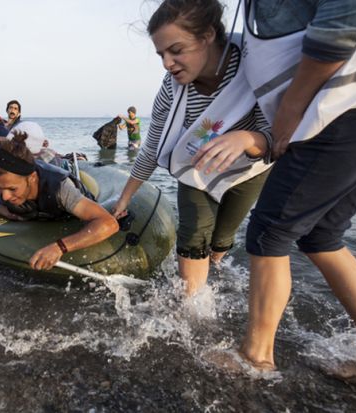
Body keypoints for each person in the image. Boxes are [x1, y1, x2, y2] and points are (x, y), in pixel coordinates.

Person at [235, 0, 356, 379]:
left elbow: (347, 10)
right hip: (348, 111)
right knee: (323, 236)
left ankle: (255, 359)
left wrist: (290, 109)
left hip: (337, 110)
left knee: (269, 231)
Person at [112, 0, 273, 296]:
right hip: (195, 168)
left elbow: (277, 137)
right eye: (161, 54)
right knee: (194, 234)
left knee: (222, 239)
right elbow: (151, 148)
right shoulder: (170, 89)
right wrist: (124, 199)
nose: (167, 64)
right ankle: (192, 311)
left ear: (207, 36)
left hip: (249, 170)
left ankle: (213, 271)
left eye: (176, 51)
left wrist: (247, 139)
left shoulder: (256, 67)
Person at [0, 132, 119, 270]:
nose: (6, 196)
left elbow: (109, 223)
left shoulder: (61, 189)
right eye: (1, 188)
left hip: (63, 209)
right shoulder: (8, 184)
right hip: (35, 208)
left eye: (12, 189)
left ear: (32, 178)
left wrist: (59, 248)